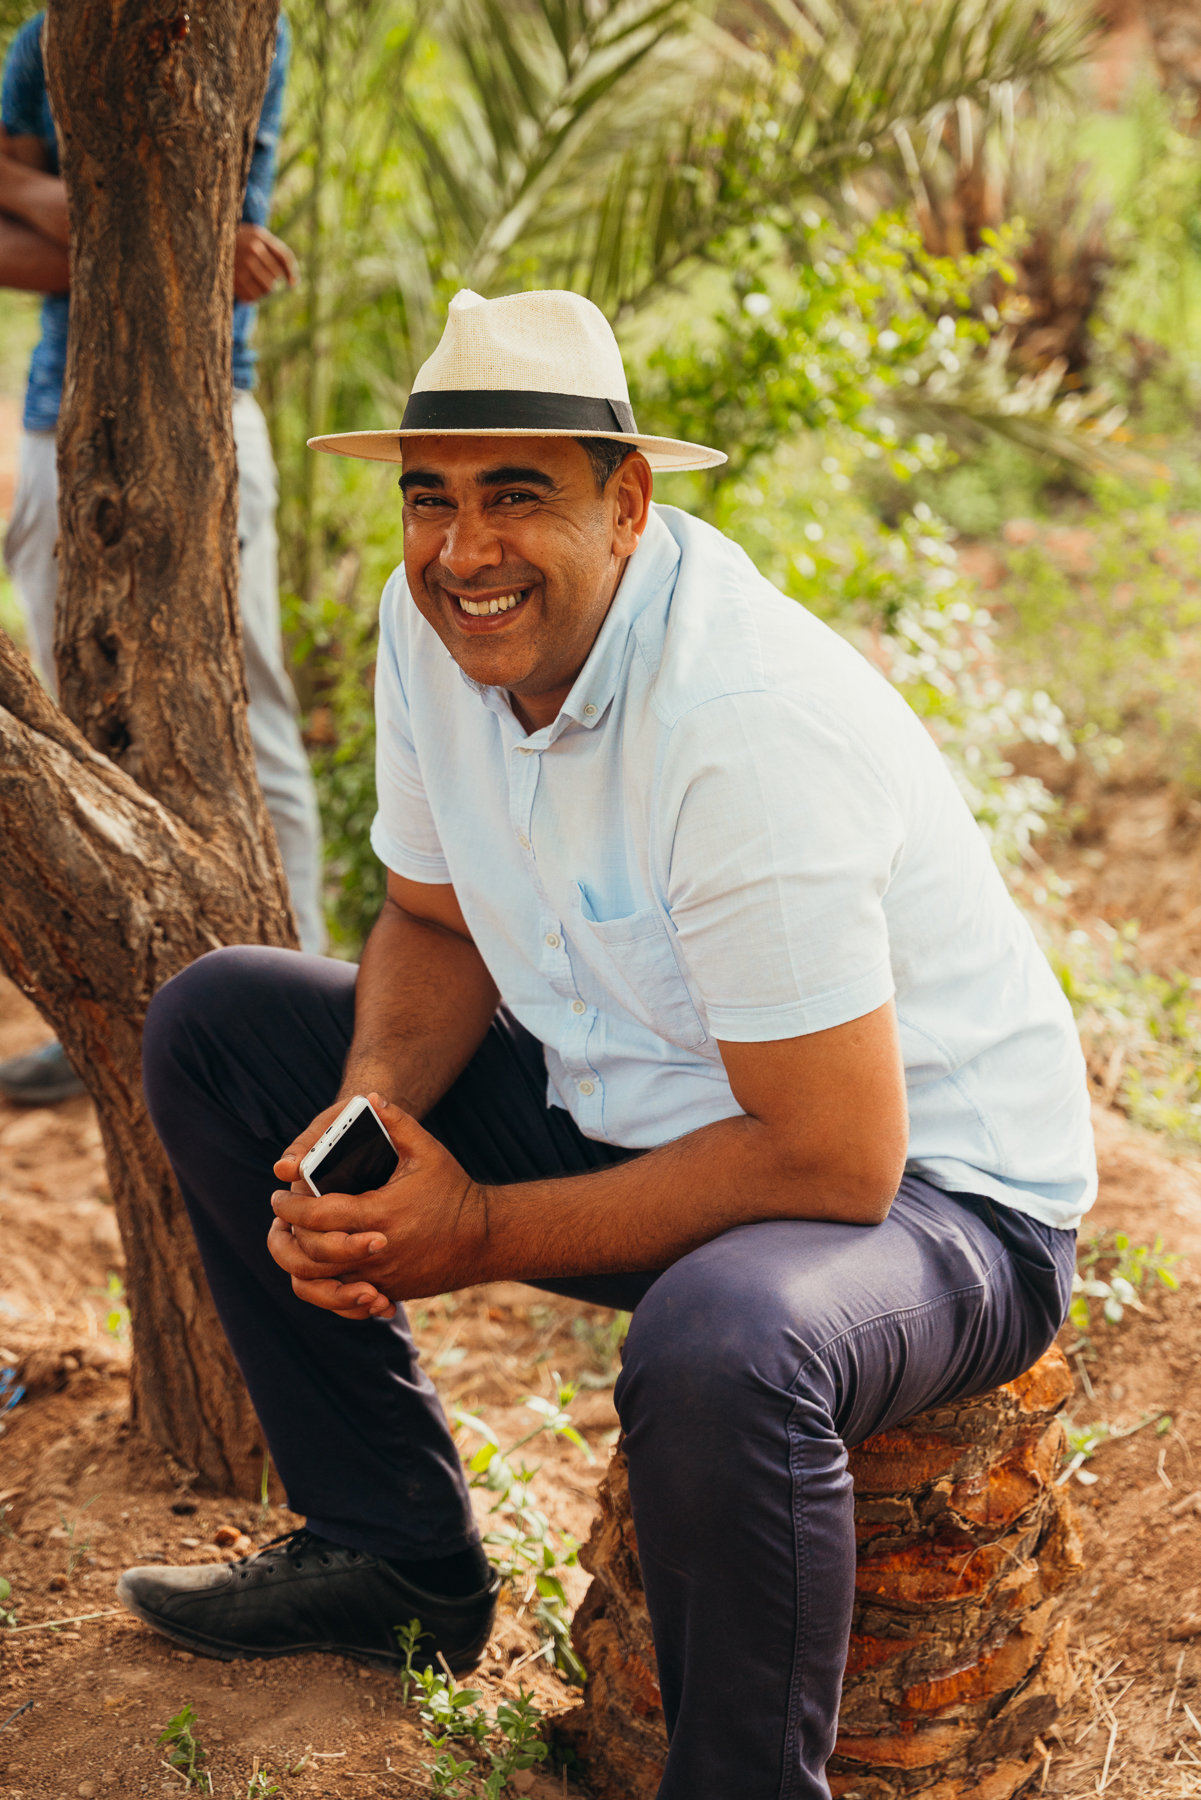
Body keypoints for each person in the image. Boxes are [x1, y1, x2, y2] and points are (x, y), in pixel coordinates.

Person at [122, 288, 1095, 1800]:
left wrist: (477, 1231)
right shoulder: (436, 628)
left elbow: (833, 1161)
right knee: (223, 1026)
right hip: (643, 1116)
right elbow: (434, 921)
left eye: (518, 496)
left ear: (626, 503)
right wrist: (364, 1130)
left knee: (722, 1342)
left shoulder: (738, 722)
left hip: (933, 1210)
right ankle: (393, 1556)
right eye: (430, 499)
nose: (464, 552)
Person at [0, 10, 324, 1105]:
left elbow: (231, 254)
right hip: (57, 422)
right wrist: (130, 223)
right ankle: (107, 1023)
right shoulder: (43, 37)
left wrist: (52, 209)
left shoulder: (240, 28)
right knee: (79, 720)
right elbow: (191, 247)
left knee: (250, 713)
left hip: (207, 411)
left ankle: (307, 1000)